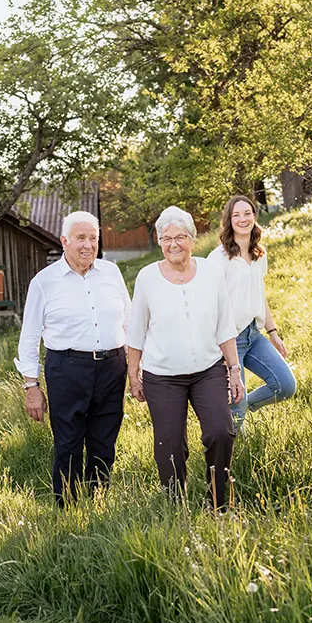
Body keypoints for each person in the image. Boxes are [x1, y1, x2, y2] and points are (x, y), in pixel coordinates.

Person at [127, 206, 245, 510]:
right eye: (166, 239)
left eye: (180, 237)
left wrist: (234, 370)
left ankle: (219, 504)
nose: (173, 244)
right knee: (169, 447)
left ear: (192, 239)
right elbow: (136, 331)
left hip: (208, 370)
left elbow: (224, 326)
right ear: (158, 241)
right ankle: (175, 507)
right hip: (162, 376)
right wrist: (133, 374)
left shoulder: (210, 272)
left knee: (221, 432)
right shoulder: (147, 278)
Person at [16, 210, 130, 503]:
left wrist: (135, 368)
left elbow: (129, 323)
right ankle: (67, 506)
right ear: (64, 241)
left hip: (112, 367)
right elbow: (29, 337)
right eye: (81, 238)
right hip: (67, 369)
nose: (88, 245)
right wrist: (31, 386)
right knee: (68, 443)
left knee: (104, 441)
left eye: (93, 238)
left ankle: (97, 501)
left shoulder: (111, 273)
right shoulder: (44, 281)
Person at [208, 194, 295, 431]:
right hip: (229, 340)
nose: (242, 219)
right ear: (229, 220)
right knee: (235, 414)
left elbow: (259, 296)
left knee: (285, 385)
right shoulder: (219, 258)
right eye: (236, 215)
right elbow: (208, 304)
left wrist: (273, 332)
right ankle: (236, 459)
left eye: (247, 213)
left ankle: (245, 406)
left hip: (254, 335)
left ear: (254, 216)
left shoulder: (259, 254)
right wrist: (220, 346)